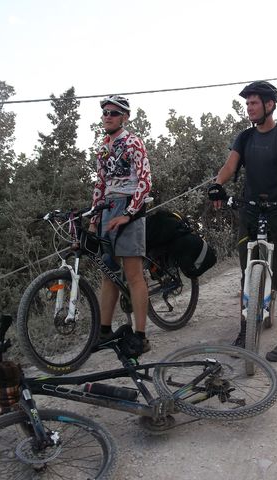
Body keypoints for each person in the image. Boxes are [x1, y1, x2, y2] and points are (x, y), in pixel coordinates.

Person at [208, 80, 277, 362]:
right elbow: (230, 166)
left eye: (254, 103)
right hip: (250, 211)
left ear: (270, 105)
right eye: (247, 104)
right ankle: (246, 329)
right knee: (247, 274)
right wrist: (217, 185)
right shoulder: (245, 137)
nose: (249, 108)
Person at [89, 95, 152, 356]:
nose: (108, 116)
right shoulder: (103, 147)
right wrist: (93, 220)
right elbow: (100, 184)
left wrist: (129, 213)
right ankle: (104, 331)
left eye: (114, 113)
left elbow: (145, 181)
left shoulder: (133, 142)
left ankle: (141, 336)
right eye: (105, 112)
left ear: (124, 117)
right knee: (109, 272)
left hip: (129, 206)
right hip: (108, 208)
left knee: (133, 274)